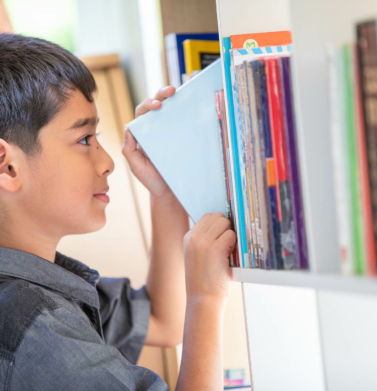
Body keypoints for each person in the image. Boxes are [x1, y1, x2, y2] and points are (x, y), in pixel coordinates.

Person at [0, 33, 236, 390]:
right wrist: (206, 298)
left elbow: (163, 320)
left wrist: (165, 191)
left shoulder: (40, 287)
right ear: (8, 167)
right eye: (84, 140)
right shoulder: (36, 325)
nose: (107, 162)